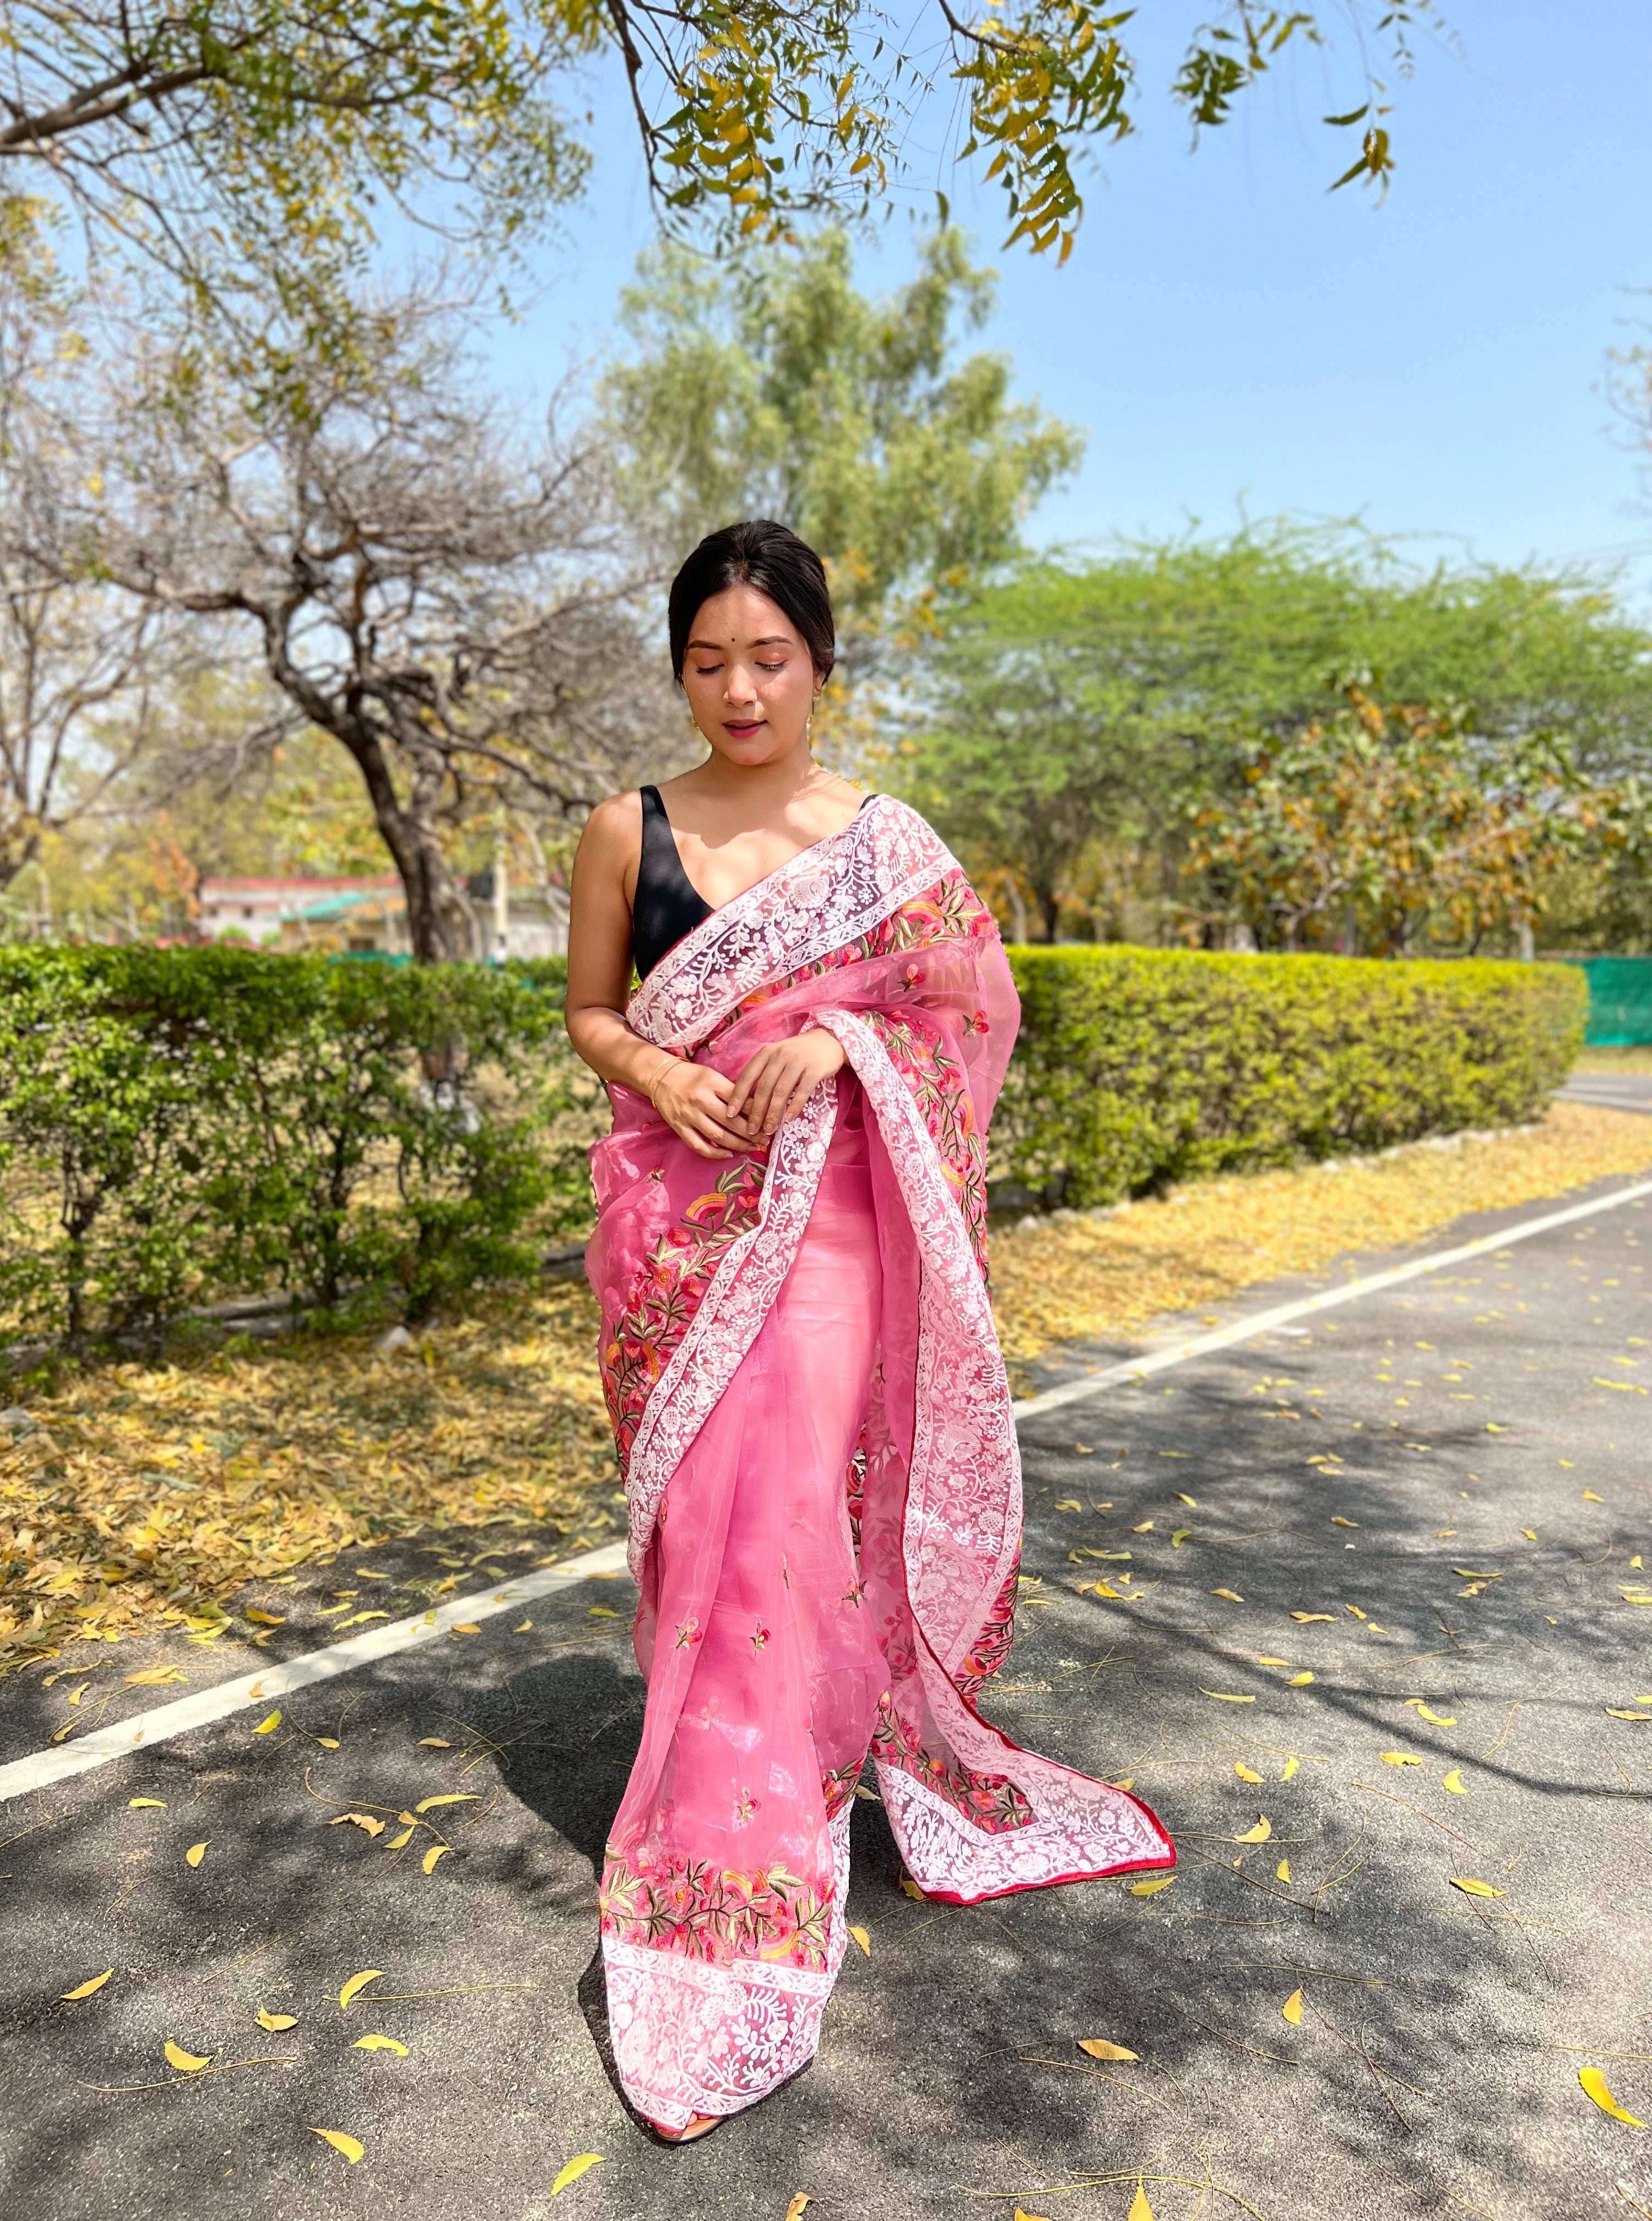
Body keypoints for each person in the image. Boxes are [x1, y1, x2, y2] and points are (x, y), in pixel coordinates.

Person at [565, 519, 1174, 2142]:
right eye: (708, 662)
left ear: (821, 665)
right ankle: (753, 1757)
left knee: (780, 1512)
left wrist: (842, 1042)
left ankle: (742, 1844)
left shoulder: (883, 845)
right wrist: (661, 1071)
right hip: (675, 1224)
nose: (740, 691)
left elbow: (968, 1010)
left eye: (769, 659)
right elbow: (591, 1013)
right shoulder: (626, 828)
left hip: (831, 1219)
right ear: (678, 671)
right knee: (703, 1524)